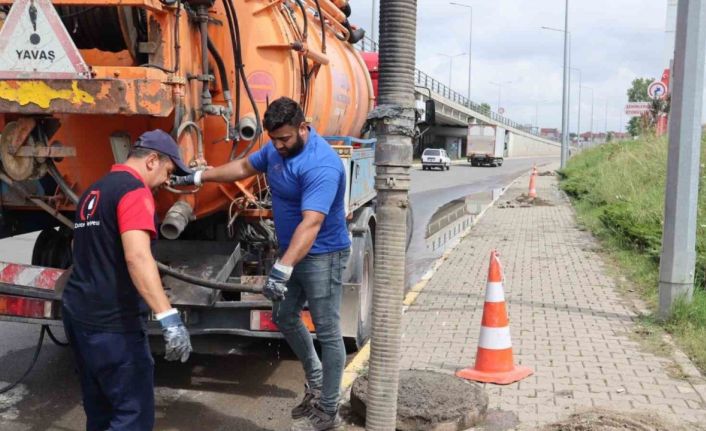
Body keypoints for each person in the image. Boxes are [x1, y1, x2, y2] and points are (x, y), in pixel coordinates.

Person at [172, 97, 350, 431]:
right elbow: (242, 168)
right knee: (284, 316)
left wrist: (282, 269)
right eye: (274, 139)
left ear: (303, 127)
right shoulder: (276, 149)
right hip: (290, 251)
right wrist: (199, 177)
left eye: (285, 139)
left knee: (327, 330)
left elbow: (311, 223)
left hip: (323, 254)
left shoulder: (321, 165)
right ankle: (315, 381)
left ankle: (329, 410)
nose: (279, 146)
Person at [62, 129, 193, 431]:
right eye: (167, 171)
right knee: (132, 416)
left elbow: (76, 247)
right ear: (151, 161)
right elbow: (138, 257)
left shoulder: (93, 191)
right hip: (114, 325)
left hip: (80, 316)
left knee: (100, 411)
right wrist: (169, 318)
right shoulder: (135, 192)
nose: (166, 181)